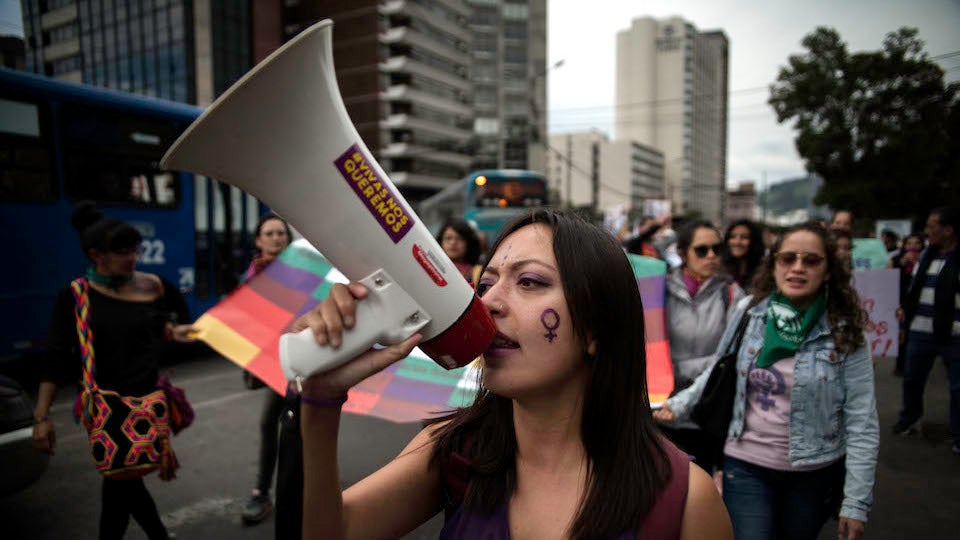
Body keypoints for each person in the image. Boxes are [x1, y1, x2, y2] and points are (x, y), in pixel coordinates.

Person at [294, 209, 732, 539]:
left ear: (596, 328)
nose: (488, 304)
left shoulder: (684, 500)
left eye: (530, 282)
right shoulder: (453, 449)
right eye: (486, 285)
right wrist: (320, 401)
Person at [655, 221, 879, 540]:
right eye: (788, 258)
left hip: (813, 473)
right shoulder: (750, 311)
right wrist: (678, 404)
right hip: (744, 465)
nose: (797, 268)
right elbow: (720, 368)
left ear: (828, 270)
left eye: (811, 260)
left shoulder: (846, 331)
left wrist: (856, 502)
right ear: (774, 265)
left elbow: (862, 419)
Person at [32, 202, 196, 540]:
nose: (133, 258)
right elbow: (56, 357)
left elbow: (168, 323)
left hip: (149, 404)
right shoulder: (76, 296)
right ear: (96, 254)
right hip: (108, 409)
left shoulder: (152, 285)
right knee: (122, 480)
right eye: (123, 252)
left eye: (134, 251)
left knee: (121, 484)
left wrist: (175, 331)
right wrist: (41, 416)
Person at [661, 220, 745, 475]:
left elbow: (731, 355)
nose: (711, 256)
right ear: (683, 253)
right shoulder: (658, 290)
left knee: (700, 488)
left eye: (717, 249)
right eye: (702, 250)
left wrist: (694, 373)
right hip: (662, 407)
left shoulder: (731, 293)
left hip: (708, 409)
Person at [240, 213, 296, 525]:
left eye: (280, 233)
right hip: (271, 363)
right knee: (277, 426)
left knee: (286, 427)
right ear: (258, 241)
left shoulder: (301, 271)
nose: (276, 238)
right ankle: (267, 492)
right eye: (269, 233)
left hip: (300, 362)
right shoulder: (251, 275)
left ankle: (269, 492)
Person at [894, 207, 960, 456]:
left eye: (932, 226)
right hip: (920, 330)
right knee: (911, 379)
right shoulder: (925, 256)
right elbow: (913, 289)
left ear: (948, 230)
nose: (927, 231)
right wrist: (905, 313)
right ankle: (909, 419)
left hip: (954, 334)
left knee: (958, 387)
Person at [891, 233, 924, 376]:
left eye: (917, 243)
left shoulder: (924, 260)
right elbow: (889, 278)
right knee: (901, 336)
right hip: (900, 302)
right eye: (909, 243)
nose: (913, 246)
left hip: (917, 303)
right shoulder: (897, 259)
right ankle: (901, 366)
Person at [436, 217, 483, 283]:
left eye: (460, 238)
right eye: (448, 238)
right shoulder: (431, 267)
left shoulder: (479, 274)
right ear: (440, 241)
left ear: (469, 243)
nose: (453, 243)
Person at [723, 219, 765, 289]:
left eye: (744, 237)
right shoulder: (719, 272)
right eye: (732, 237)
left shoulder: (764, 273)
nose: (737, 242)